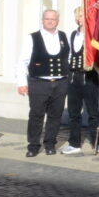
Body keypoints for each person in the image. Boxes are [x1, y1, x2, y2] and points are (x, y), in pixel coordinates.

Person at [17, 9, 70, 157]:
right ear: (42, 20)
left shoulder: (64, 36)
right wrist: (21, 83)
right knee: (36, 115)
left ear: (57, 21)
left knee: (55, 115)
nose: (50, 21)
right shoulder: (32, 38)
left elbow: (69, 57)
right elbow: (22, 62)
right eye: (47, 19)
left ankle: (50, 144)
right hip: (38, 83)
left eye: (53, 19)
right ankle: (33, 145)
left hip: (60, 82)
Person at [63, 6, 99, 154]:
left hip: (89, 76)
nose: (79, 19)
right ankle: (74, 143)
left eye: (81, 16)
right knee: (74, 112)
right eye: (77, 16)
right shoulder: (73, 35)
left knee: (93, 111)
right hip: (74, 77)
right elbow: (69, 55)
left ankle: (97, 142)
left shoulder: (93, 35)